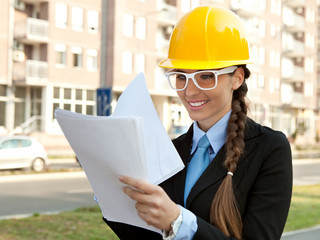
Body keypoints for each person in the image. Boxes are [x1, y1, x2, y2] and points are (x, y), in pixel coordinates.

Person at [105, 5, 292, 240]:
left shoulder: (269, 148)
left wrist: (178, 222)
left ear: (237, 77)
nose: (190, 91)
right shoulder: (170, 150)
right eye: (181, 76)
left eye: (205, 76)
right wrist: (109, 190)